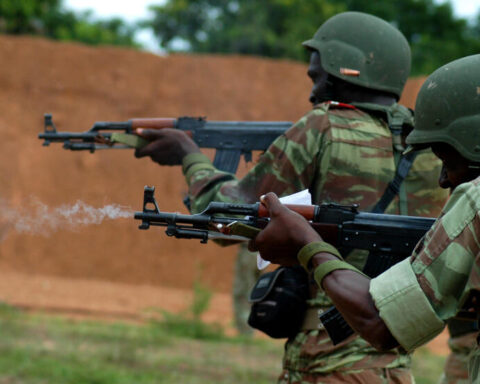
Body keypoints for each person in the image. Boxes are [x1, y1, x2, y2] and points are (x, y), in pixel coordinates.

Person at [135, 12, 448, 383]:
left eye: (317, 77)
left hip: (326, 362)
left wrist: (188, 156)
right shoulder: (430, 146)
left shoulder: (323, 125)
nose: (313, 91)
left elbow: (228, 216)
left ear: (342, 72)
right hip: (392, 364)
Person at [250, 54, 480, 382]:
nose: (443, 180)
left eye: (447, 159)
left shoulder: (474, 199)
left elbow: (382, 322)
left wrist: (307, 243)